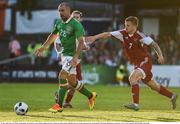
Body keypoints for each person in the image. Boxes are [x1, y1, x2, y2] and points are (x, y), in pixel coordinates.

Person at [87, 16, 177, 111]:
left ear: (135, 26)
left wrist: (160, 55)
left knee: (132, 78)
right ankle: (172, 96)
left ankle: (136, 104)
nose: (126, 28)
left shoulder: (140, 36)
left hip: (145, 61)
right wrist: (94, 37)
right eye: (125, 25)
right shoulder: (122, 33)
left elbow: (154, 44)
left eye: (128, 26)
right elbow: (107, 34)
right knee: (153, 85)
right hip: (137, 64)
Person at [34, 2, 97, 113]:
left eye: (62, 10)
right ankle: (91, 95)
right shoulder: (59, 23)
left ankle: (59, 105)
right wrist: (43, 47)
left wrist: (75, 57)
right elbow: (53, 36)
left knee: (62, 75)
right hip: (65, 55)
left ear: (68, 11)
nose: (60, 13)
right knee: (72, 82)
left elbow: (81, 43)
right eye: (59, 11)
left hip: (73, 55)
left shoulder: (76, 24)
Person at [54, 10, 87, 108]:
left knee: (75, 82)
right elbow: (56, 41)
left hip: (76, 60)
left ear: (80, 19)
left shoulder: (79, 29)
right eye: (74, 17)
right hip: (70, 59)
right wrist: (59, 53)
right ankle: (63, 100)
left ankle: (65, 101)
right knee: (75, 82)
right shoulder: (68, 28)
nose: (76, 19)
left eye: (78, 17)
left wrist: (84, 47)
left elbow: (81, 44)